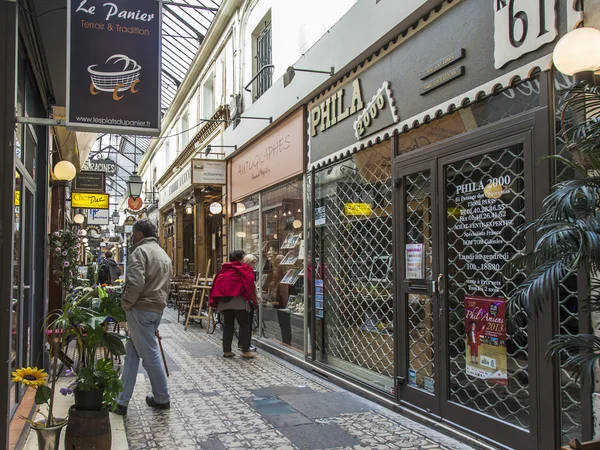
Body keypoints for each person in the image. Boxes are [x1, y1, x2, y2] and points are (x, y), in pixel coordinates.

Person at [113, 219, 173, 416]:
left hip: (141, 308)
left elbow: (135, 283)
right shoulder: (163, 254)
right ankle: (122, 401)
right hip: (156, 308)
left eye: (133, 233)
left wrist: (125, 303)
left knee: (150, 354)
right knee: (131, 354)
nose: (131, 237)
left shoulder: (140, 252)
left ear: (139, 234)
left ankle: (162, 398)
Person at [209, 250, 257, 358]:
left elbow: (216, 284)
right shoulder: (244, 269)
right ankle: (245, 350)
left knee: (228, 325)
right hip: (238, 301)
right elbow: (249, 284)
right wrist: (250, 298)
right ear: (241, 259)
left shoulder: (223, 270)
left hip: (224, 302)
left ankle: (227, 350)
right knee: (244, 324)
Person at [241, 254, 258, 352]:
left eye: (255, 262)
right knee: (247, 323)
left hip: (245, 300)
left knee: (245, 324)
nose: (254, 265)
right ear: (247, 262)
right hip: (248, 300)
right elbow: (249, 287)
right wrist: (253, 300)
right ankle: (246, 345)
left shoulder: (245, 270)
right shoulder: (248, 272)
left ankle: (243, 343)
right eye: (253, 262)